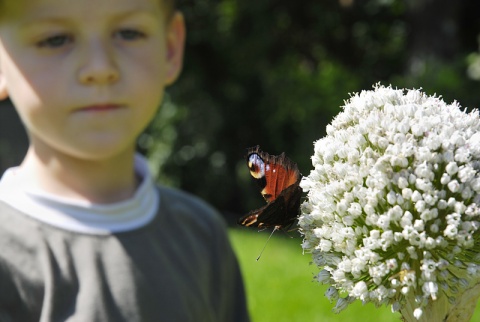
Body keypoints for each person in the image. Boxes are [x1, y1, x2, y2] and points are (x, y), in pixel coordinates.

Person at [0, 0, 250, 321]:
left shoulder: (204, 235)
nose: (100, 68)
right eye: (55, 39)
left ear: (170, 49)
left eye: (128, 33)